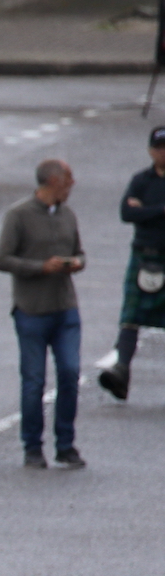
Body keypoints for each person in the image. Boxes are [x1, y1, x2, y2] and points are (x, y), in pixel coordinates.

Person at [0, 158, 88, 469]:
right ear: (52, 181)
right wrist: (39, 268)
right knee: (34, 381)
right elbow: (1, 259)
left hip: (65, 308)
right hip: (32, 309)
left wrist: (77, 262)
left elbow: (80, 251)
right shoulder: (19, 215)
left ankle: (66, 443)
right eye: (68, 180)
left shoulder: (67, 215)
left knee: (71, 373)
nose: (72, 185)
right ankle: (32, 446)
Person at [101, 127, 165, 401]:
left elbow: (137, 212)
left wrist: (145, 211)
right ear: (151, 150)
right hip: (144, 254)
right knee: (130, 318)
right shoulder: (141, 179)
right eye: (159, 148)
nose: (164, 152)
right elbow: (127, 212)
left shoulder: (143, 187)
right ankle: (121, 370)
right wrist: (161, 210)